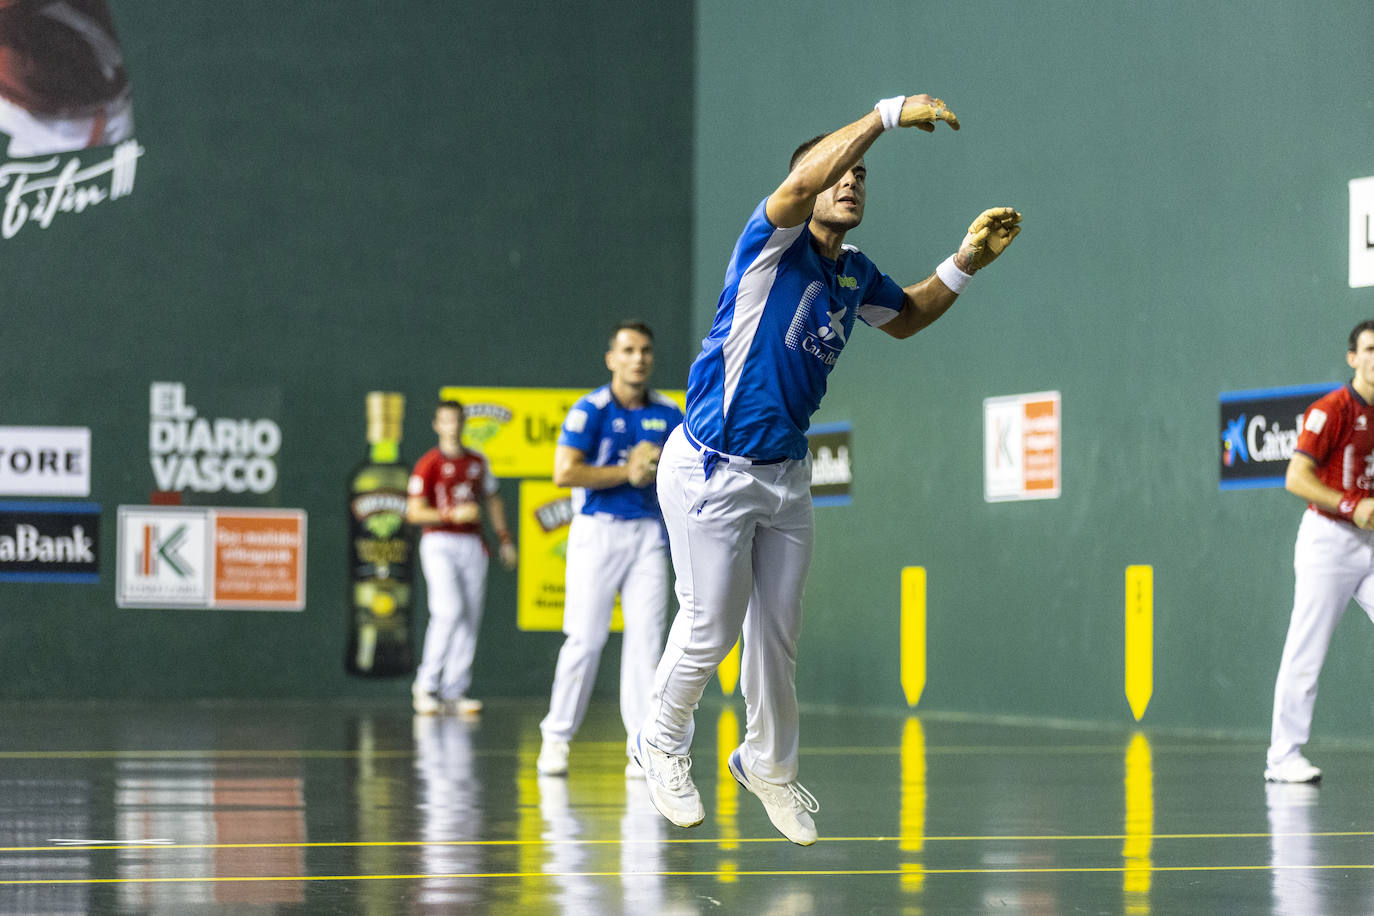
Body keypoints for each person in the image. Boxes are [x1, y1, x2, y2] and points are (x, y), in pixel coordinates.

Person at [631, 93, 1022, 845]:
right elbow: (804, 182)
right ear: (810, 184)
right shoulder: (770, 244)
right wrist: (886, 114)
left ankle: (767, 767)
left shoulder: (855, 273)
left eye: (862, 176)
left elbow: (907, 317)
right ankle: (660, 741)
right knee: (711, 626)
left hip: (785, 475)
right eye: (841, 172)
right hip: (712, 466)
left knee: (778, 634)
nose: (852, 182)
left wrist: (966, 262)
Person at [537, 321, 684, 778]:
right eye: (628, 350)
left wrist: (659, 469)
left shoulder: (670, 413)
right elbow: (564, 472)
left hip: (648, 536)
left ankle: (641, 746)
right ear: (611, 358)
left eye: (645, 350)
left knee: (646, 644)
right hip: (597, 533)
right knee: (585, 639)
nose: (638, 358)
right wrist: (628, 472)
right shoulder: (590, 410)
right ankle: (556, 739)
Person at [1265, 320, 1374, 783]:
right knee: (1306, 650)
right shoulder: (1331, 410)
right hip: (1329, 541)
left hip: (1371, 541)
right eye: (1369, 349)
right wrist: (1350, 505)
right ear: (1353, 358)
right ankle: (1282, 757)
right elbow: (1296, 478)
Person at [407, 399, 517, 716]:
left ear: (463, 424)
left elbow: (493, 500)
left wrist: (505, 539)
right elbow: (414, 512)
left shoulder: (478, 461)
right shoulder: (428, 464)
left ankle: (454, 691)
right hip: (438, 542)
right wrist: (450, 514)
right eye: (445, 421)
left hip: (472, 545)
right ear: (436, 425)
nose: (452, 427)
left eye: (456, 420)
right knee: (448, 611)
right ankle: (426, 685)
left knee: (469, 618)